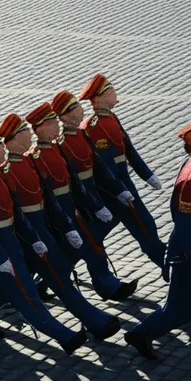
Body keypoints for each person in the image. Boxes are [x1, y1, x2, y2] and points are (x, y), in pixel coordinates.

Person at [0, 128, 86, 358]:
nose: (2, 148)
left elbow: (16, 213)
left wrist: (34, 240)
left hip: (8, 246)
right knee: (26, 295)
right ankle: (64, 336)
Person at [1, 107, 119, 340]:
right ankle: (95, 322)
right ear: (13, 139)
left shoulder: (29, 163)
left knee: (57, 275)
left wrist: (65, 226)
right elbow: (16, 213)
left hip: (44, 231)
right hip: (29, 237)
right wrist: (35, 240)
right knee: (59, 278)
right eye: (25, 131)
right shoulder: (8, 172)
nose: (29, 134)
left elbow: (50, 200)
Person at [50, 90, 138, 300]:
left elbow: (97, 164)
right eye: (76, 107)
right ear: (65, 115)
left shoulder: (82, 134)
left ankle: (45, 281)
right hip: (74, 205)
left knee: (80, 247)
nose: (82, 110)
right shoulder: (60, 145)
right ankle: (109, 287)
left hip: (91, 197)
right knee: (92, 246)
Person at [79, 74, 166, 267]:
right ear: (101, 96)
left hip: (123, 183)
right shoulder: (96, 126)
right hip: (115, 188)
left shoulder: (110, 117)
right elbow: (106, 166)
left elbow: (128, 148)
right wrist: (120, 191)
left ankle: (59, 268)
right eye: (111, 90)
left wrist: (147, 175)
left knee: (98, 232)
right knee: (143, 224)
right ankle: (169, 267)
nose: (115, 93)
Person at [124, 126, 191, 360]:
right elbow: (186, 225)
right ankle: (140, 334)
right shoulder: (190, 180)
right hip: (186, 253)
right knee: (176, 309)